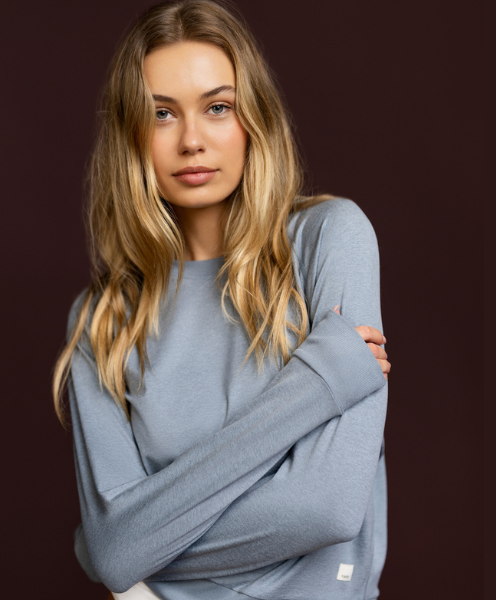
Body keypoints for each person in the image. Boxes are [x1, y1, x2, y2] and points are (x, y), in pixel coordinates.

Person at [52, 1, 391, 599]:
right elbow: (114, 553)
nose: (191, 140)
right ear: (132, 134)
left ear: (251, 118)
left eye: (217, 107)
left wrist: (128, 543)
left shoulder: (330, 240)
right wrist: (316, 387)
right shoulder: (101, 320)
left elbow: (329, 509)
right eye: (161, 114)